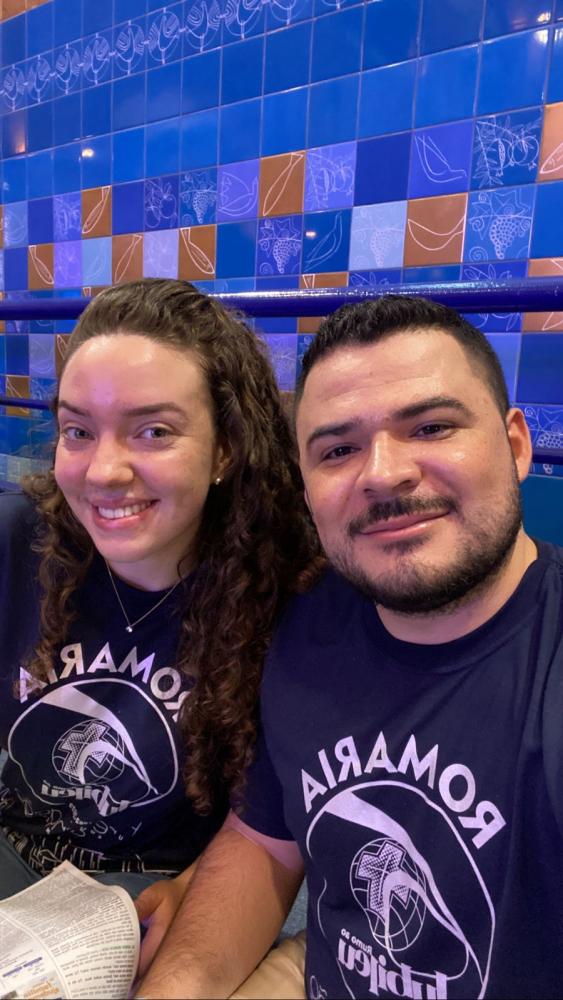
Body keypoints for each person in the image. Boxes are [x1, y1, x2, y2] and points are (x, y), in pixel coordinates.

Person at [136, 295, 563, 1000]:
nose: (383, 473)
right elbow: (263, 843)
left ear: (516, 445)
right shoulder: (307, 625)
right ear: (307, 489)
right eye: (338, 450)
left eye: (430, 427)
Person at [0, 279, 320, 952]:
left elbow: (271, 820)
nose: (103, 471)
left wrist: (199, 885)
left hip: (149, 901)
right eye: (77, 431)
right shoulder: (16, 542)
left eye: (153, 432)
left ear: (225, 449)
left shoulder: (287, 592)